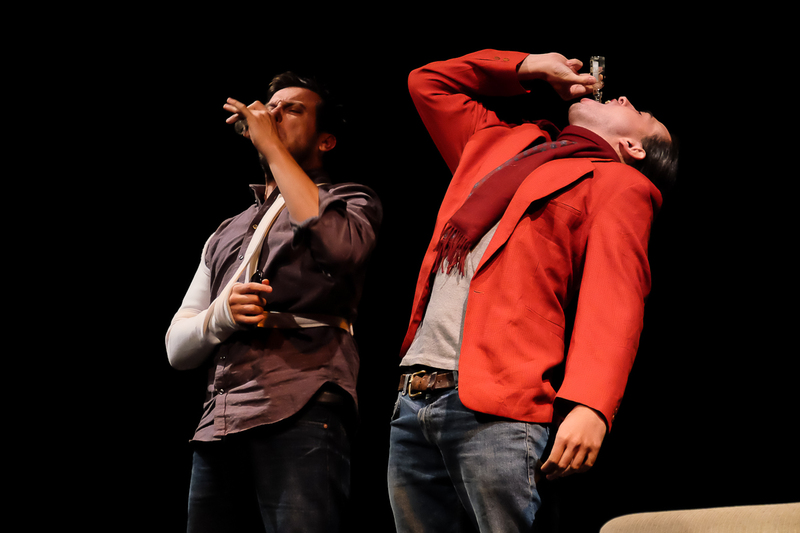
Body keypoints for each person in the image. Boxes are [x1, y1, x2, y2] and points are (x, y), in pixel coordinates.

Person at [387, 49, 678, 532]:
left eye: (641, 113)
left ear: (634, 146)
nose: (625, 97)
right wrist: (531, 67)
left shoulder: (618, 183)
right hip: (414, 394)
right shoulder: (503, 146)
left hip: (498, 406)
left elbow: (615, 301)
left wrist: (591, 407)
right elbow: (428, 82)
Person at [166, 72, 382, 532]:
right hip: (219, 421)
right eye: (271, 106)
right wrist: (220, 317)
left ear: (326, 141)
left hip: (301, 405)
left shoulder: (349, 199)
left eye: (292, 109)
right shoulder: (226, 230)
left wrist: (271, 145)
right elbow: (176, 348)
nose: (273, 113)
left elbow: (340, 251)